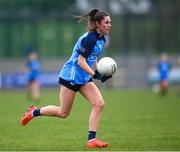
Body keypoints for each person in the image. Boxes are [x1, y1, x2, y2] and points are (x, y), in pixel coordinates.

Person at [21, 9, 112, 148]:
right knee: (63, 113)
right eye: (106, 22)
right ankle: (33, 112)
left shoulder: (102, 39)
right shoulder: (90, 39)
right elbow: (81, 61)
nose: (109, 25)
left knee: (99, 104)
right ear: (98, 24)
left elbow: (93, 58)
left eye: (110, 22)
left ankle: (91, 140)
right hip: (71, 75)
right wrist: (94, 75)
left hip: (83, 77)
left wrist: (99, 72)